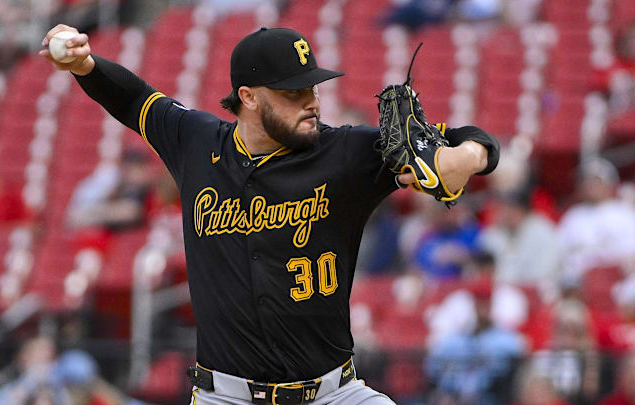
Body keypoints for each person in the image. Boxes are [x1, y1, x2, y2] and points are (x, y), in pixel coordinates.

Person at [39, 24, 500, 404]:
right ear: (250, 96)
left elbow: (466, 136)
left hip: (332, 394)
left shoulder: (348, 152)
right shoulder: (197, 144)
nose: (312, 101)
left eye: (313, 87)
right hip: (227, 397)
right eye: (294, 92)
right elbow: (134, 99)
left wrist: (468, 156)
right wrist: (85, 65)